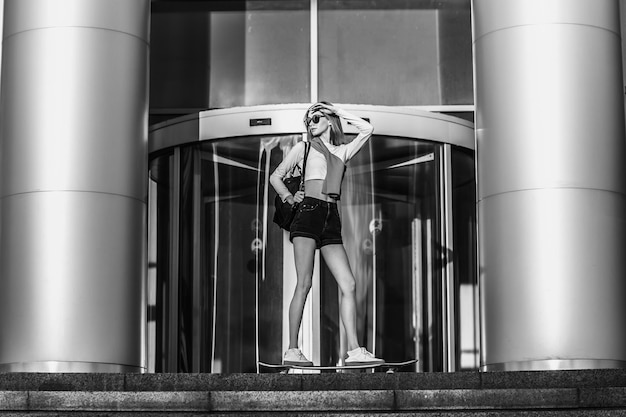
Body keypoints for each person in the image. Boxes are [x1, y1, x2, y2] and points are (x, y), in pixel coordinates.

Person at [270, 102, 384, 366]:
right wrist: (289, 196)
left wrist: (336, 110)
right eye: (308, 119)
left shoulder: (342, 151)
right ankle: (292, 349)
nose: (311, 121)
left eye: (317, 117)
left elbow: (367, 129)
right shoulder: (304, 148)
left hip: (332, 218)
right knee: (304, 283)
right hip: (308, 213)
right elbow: (276, 176)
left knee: (349, 284)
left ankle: (355, 351)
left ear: (329, 120)